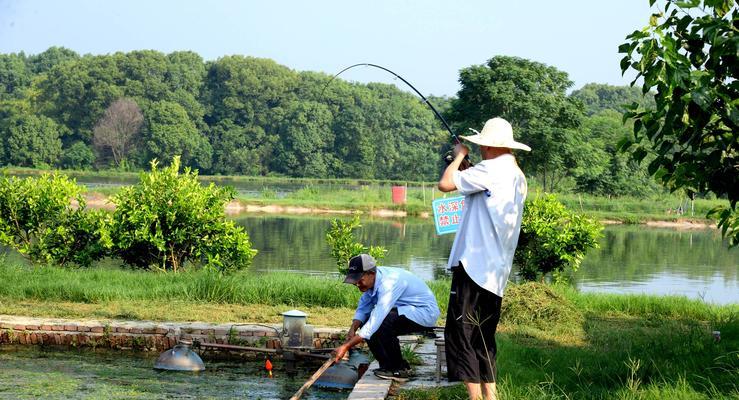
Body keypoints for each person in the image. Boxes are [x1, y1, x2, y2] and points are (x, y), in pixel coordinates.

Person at [438, 117, 529, 400]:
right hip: (496, 271)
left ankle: (475, 398)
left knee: (460, 334)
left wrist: (458, 157)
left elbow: (445, 184)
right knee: (483, 336)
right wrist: (468, 168)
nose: (477, 150)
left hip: (473, 265)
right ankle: (491, 396)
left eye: (479, 146)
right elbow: (484, 195)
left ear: (489, 145)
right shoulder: (517, 174)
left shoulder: (489, 169)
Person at [333, 253, 440, 382]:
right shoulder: (374, 281)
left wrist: (346, 346)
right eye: (355, 281)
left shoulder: (389, 283)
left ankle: (399, 369)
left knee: (382, 323)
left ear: (371, 273)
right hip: (404, 311)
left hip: (423, 313)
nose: (357, 284)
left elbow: (376, 319)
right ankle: (387, 366)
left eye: (359, 280)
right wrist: (352, 329)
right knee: (366, 321)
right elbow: (363, 307)